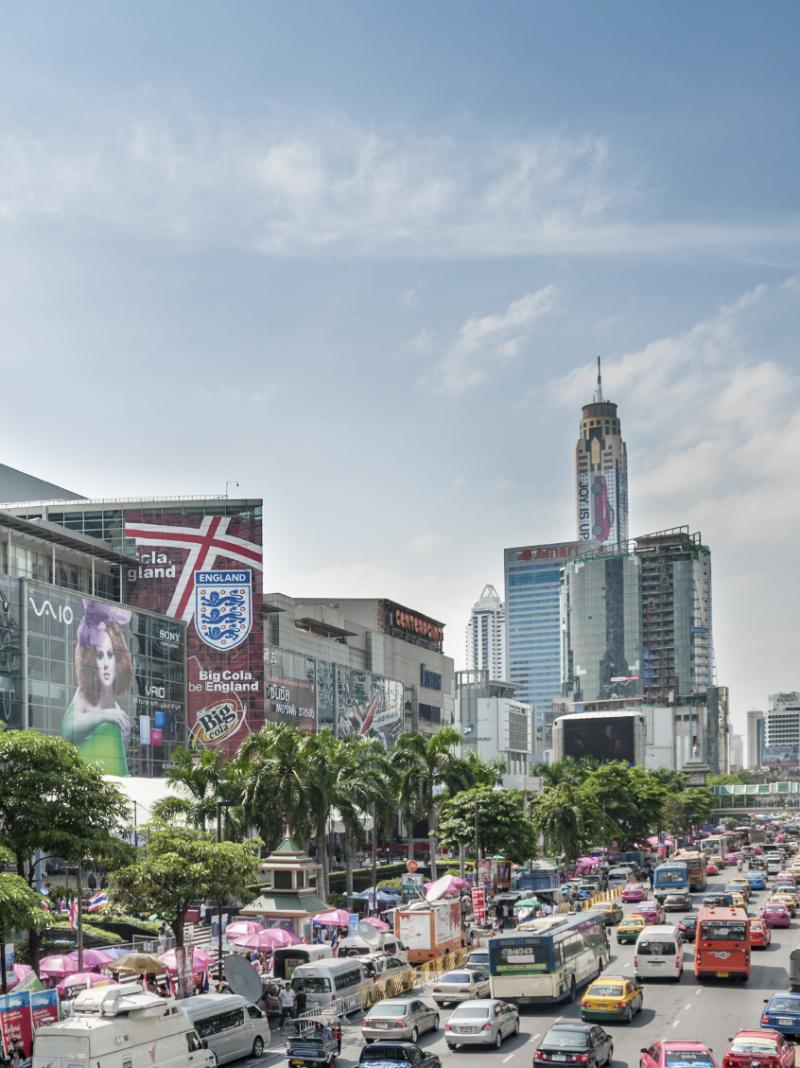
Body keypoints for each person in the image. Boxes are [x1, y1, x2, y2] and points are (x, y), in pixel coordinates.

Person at [61, 600, 134, 775]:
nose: (106, 664)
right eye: (99, 656)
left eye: (110, 654)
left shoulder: (117, 709)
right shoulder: (84, 695)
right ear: (91, 660)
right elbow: (67, 728)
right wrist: (103, 716)